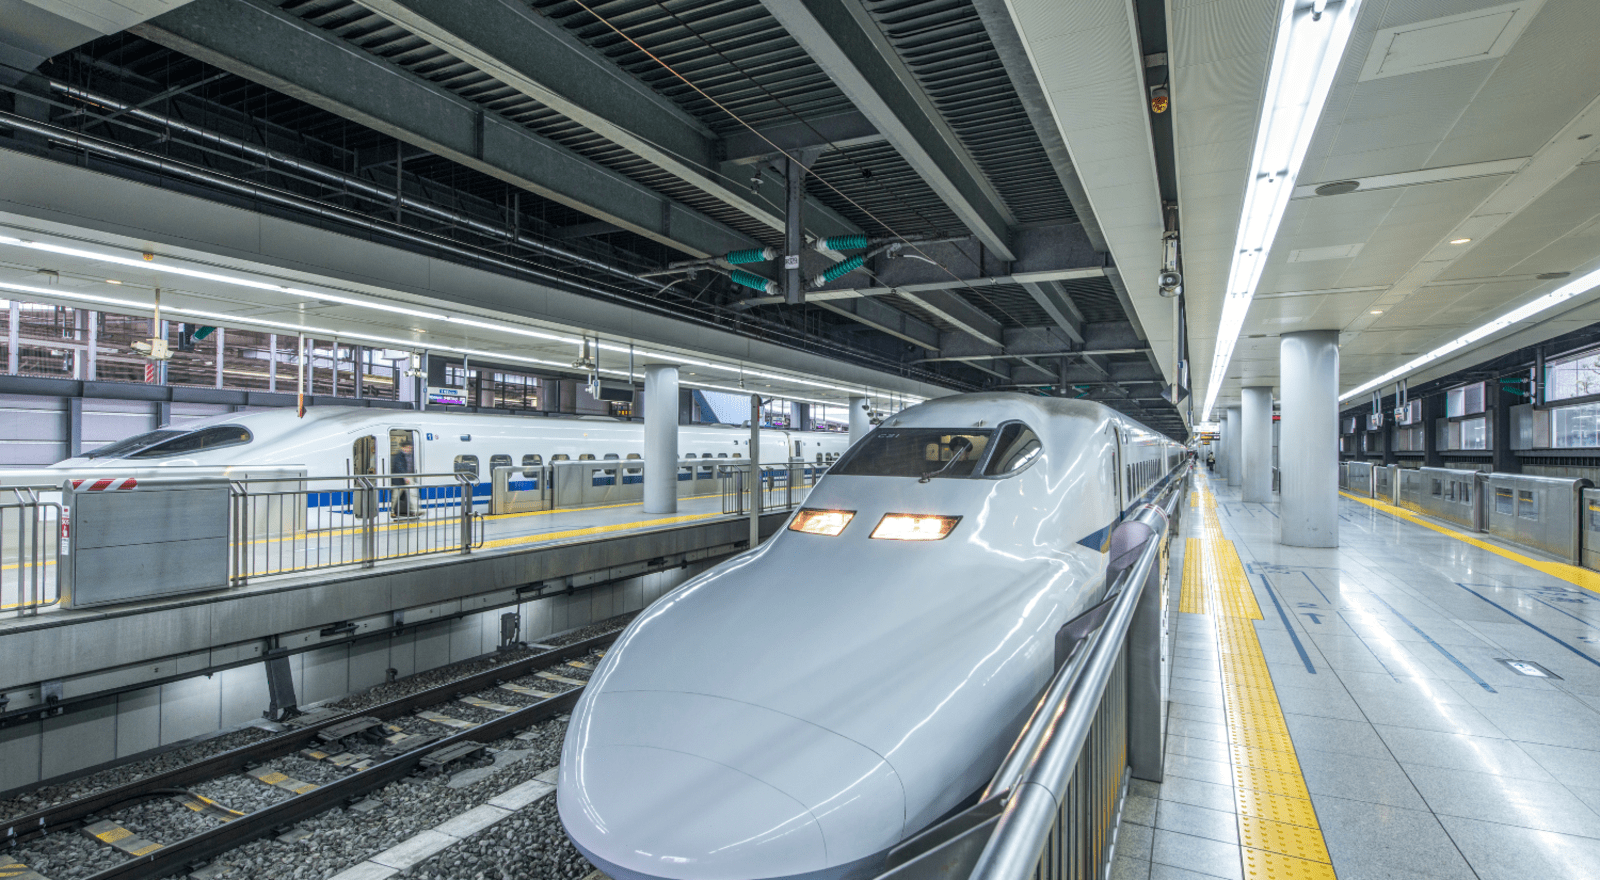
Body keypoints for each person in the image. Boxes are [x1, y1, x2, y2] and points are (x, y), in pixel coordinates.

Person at [391, 439, 416, 517]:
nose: (410, 449)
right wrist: (405, 478)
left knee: (412, 495)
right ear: (403, 447)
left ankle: (415, 510)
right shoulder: (399, 456)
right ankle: (391, 511)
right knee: (395, 496)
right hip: (399, 479)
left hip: (409, 477)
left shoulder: (411, 455)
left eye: (410, 448)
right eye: (409, 448)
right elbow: (399, 467)